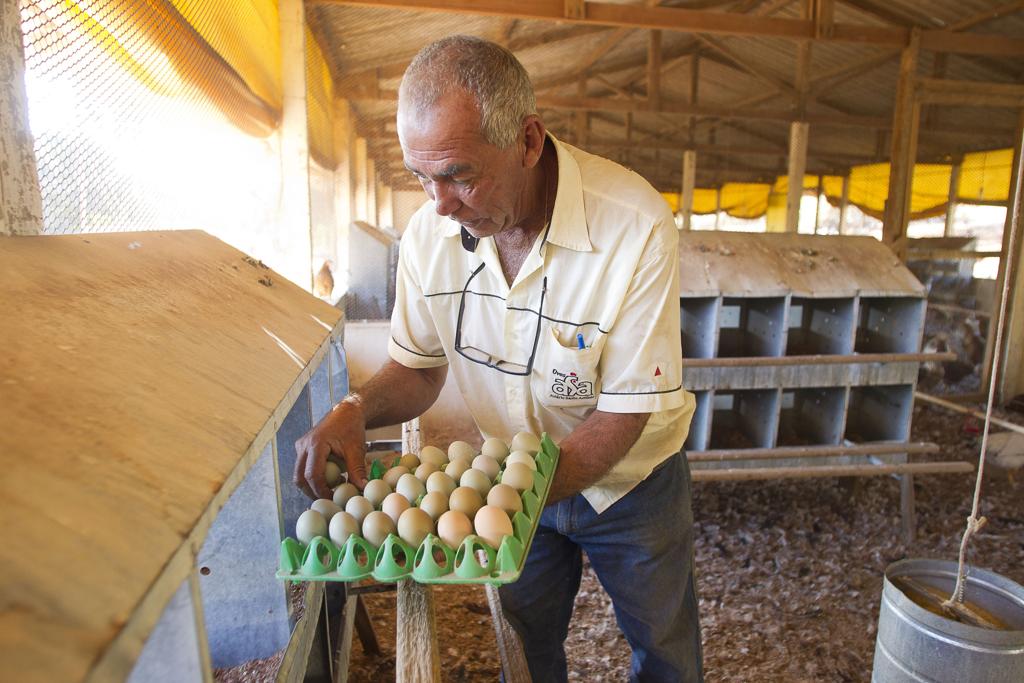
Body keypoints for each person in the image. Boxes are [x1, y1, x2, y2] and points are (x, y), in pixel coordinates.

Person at [294, 34, 703, 683]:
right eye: (420, 175)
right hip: (512, 474)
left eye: (459, 173)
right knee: (527, 640)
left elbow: (626, 413)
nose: (438, 203)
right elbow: (420, 367)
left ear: (529, 141)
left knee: (663, 643)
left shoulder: (632, 224)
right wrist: (355, 407)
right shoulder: (431, 236)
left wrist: (501, 495)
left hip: (629, 483)